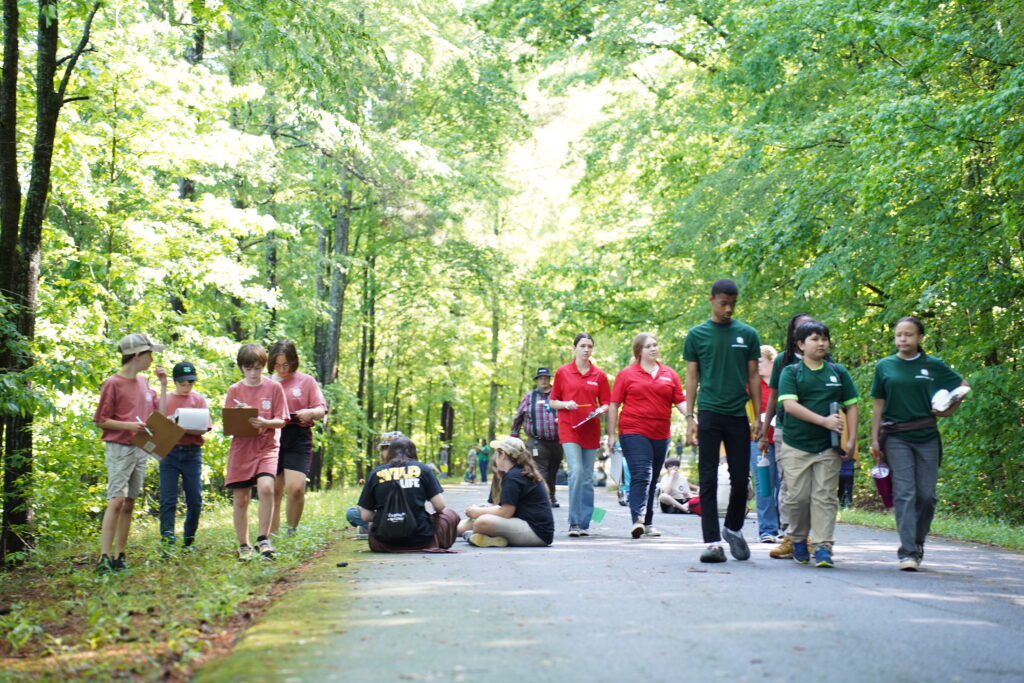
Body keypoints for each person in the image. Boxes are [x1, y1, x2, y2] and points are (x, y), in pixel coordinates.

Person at [870, 316, 969, 571]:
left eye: (909, 335)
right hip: (895, 436)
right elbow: (878, 404)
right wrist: (874, 439)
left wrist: (949, 409)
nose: (903, 339)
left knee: (927, 496)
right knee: (905, 492)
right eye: (899, 335)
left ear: (920, 338)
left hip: (926, 434)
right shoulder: (884, 366)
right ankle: (907, 552)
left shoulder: (933, 365)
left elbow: (962, 385)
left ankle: (918, 541)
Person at [684, 278, 762, 563]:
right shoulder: (697, 335)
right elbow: (692, 377)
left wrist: (758, 417)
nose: (728, 309)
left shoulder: (747, 334)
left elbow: (754, 376)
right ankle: (713, 542)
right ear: (711, 300)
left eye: (733, 304)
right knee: (707, 478)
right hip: (709, 413)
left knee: (741, 478)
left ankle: (733, 528)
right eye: (723, 303)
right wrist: (689, 416)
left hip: (738, 415)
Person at [777, 320, 859, 568]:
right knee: (797, 497)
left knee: (824, 497)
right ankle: (799, 539)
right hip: (796, 445)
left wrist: (852, 439)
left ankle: (823, 546)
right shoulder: (791, 372)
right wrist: (823, 421)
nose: (821, 343)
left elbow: (852, 405)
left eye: (824, 338)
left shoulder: (838, 372)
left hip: (828, 447)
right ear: (801, 345)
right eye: (814, 339)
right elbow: (789, 406)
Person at [93, 333, 168, 572]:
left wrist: (164, 385)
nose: (152, 358)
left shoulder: (145, 381)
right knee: (116, 499)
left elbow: (160, 416)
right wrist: (128, 426)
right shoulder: (112, 383)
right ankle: (104, 557)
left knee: (130, 501)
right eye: (149, 354)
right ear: (137, 355)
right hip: (119, 448)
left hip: (141, 448)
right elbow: (101, 420)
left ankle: (120, 555)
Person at [607, 333, 687, 539]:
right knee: (643, 473)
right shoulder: (626, 374)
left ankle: (649, 523)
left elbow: (679, 401)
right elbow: (614, 404)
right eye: (648, 346)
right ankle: (638, 520)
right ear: (638, 351)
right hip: (633, 430)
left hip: (661, 433)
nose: (653, 349)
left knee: (652, 480)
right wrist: (611, 434)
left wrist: (693, 417)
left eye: (655, 345)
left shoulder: (669, 374)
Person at [224, 344, 288, 560]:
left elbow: (282, 420)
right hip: (242, 447)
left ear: (264, 367)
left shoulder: (274, 388)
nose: (253, 373)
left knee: (267, 487)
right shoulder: (234, 390)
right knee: (241, 498)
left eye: (258, 368)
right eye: (248, 369)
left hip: (267, 446)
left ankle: (264, 538)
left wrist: (265, 422)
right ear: (241, 368)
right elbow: (229, 423)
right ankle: (244, 544)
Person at [760, 313, 816, 559]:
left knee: (814, 487)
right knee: (789, 483)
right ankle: (791, 536)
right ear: (793, 335)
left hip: (817, 430)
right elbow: (773, 396)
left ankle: (807, 536)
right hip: (785, 427)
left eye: (811, 328)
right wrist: (764, 432)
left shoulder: (826, 359)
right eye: (801, 328)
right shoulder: (783, 360)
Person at [549, 333, 611, 536]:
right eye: (583, 346)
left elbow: (607, 403)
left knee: (586, 477)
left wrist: (602, 410)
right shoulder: (563, 372)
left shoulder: (599, 375)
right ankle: (573, 521)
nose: (586, 350)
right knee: (575, 472)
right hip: (569, 428)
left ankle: (584, 523)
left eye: (590, 346)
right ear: (574, 348)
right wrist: (566, 404)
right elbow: (553, 402)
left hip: (590, 429)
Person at [356, 436, 460, 552]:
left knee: (371, 524)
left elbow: (365, 516)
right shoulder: (423, 469)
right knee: (450, 514)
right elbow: (440, 506)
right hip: (421, 540)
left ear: (390, 452)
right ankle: (433, 543)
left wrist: (389, 516)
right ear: (413, 452)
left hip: (383, 543)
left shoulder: (376, 473)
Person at [267, 340, 327, 537]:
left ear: (293, 361)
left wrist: (310, 413)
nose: (282, 369)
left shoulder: (306, 381)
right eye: (277, 365)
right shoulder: (267, 382)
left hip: (298, 436)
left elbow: (321, 409)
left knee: (295, 488)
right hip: (273, 436)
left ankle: (291, 530)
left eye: (285, 364)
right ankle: (271, 534)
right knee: (273, 490)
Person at [458, 437, 554, 547]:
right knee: (477, 519)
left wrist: (478, 512)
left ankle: (455, 532)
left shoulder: (513, 477)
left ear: (503, 455)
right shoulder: (519, 472)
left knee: (482, 521)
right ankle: (489, 538)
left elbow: (506, 512)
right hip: (531, 527)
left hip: (537, 533)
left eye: (497, 453)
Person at [159, 361, 211, 552]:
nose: (187, 387)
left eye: (190, 383)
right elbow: (157, 420)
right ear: (175, 382)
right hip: (169, 452)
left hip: (192, 453)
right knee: (167, 499)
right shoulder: (166, 398)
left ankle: (188, 541)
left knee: (195, 499)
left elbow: (204, 428)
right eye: (183, 383)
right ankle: (167, 542)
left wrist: (184, 427)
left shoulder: (198, 400)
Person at [510, 368, 563, 507]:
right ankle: (545, 498)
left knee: (553, 469)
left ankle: (551, 494)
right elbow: (518, 417)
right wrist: (514, 435)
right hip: (536, 441)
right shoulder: (529, 397)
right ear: (537, 380)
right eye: (540, 378)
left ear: (550, 379)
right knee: (540, 469)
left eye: (546, 377)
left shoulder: (558, 395)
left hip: (558, 440)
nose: (543, 380)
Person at [346, 431, 403, 539]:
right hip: (387, 516)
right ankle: (374, 527)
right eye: (387, 448)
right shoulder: (377, 472)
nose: (391, 452)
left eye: (395, 449)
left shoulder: (376, 473)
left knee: (355, 513)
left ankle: (372, 528)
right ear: (382, 451)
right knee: (352, 512)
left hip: (397, 516)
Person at [750, 345, 780, 543]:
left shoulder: (782, 383)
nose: (756, 365)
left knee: (784, 484)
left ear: (772, 362)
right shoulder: (752, 385)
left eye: (760, 361)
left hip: (783, 438)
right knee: (764, 484)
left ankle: (785, 526)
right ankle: (767, 529)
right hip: (758, 440)